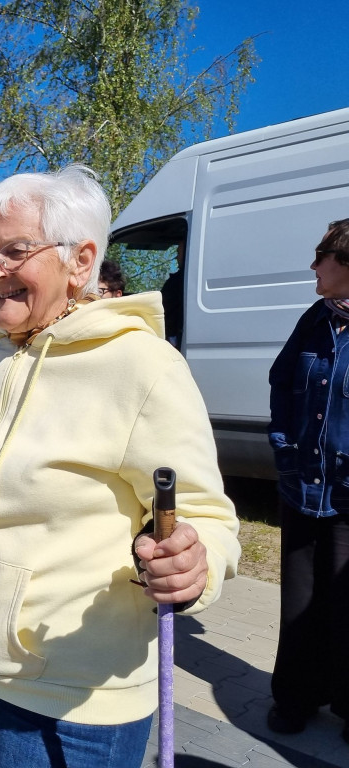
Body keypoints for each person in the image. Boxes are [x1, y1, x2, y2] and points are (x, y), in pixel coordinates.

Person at [0, 165, 240, 768]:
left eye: (14, 251)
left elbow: (203, 514)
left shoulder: (141, 366)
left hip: (68, 689)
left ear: (80, 262)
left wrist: (198, 561)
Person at [267, 218, 349, 742]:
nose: (313, 266)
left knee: (345, 603)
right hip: (302, 487)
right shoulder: (314, 320)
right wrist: (283, 447)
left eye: (322, 257)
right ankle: (294, 699)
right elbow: (280, 380)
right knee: (298, 601)